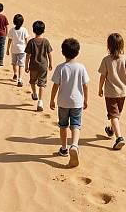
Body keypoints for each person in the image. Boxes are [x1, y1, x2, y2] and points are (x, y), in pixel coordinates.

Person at [50, 38, 89, 166]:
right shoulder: (81, 67)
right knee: (76, 125)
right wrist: (86, 100)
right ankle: (75, 145)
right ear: (78, 52)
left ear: (63, 52)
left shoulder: (60, 68)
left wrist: (51, 100)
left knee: (63, 126)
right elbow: (85, 86)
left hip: (63, 102)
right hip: (77, 102)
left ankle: (64, 148)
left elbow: (55, 85)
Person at [98, 33, 126, 150]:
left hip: (110, 93)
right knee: (116, 114)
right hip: (123, 92)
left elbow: (102, 76)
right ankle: (111, 130)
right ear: (121, 46)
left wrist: (100, 88)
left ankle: (119, 138)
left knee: (113, 115)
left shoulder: (106, 60)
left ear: (108, 46)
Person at [24, 20, 53, 112]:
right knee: (42, 84)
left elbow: (28, 55)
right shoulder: (46, 42)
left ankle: (34, 93)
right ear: (43, 30)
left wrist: (26, 66)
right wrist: (51, 63)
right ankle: (40, 101)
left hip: (33, 66)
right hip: (43, 66)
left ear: (33, 30)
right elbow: (49, 54)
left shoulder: (31, 42)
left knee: (32, 81)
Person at [6, 14, 29, 87]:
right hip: (22, 50)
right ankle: (20, 79)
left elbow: (9, 40)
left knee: (14, 63)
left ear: (14, 22)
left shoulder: (12, 30)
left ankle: (15, 73)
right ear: (22, 22)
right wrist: (28, 49)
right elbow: (26, 40)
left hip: (14, 49)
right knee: (21, 65)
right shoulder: (24, 30)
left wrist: (7, 49)